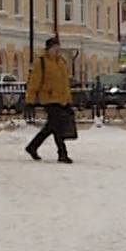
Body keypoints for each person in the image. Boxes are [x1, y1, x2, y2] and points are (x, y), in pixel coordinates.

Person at [24, 35, 74, 164]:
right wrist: (30, 99)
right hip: (49, 98)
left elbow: (65, 82)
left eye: (59, 48)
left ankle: (32, 147)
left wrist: (68, 99)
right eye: (55, 48)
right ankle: (62, 153)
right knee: (56, 126)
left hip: (61, 99)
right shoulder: (41, 62)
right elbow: (34, 82)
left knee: (52, 127)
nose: (58, 50)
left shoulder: (61, 62)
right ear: (49, 48)